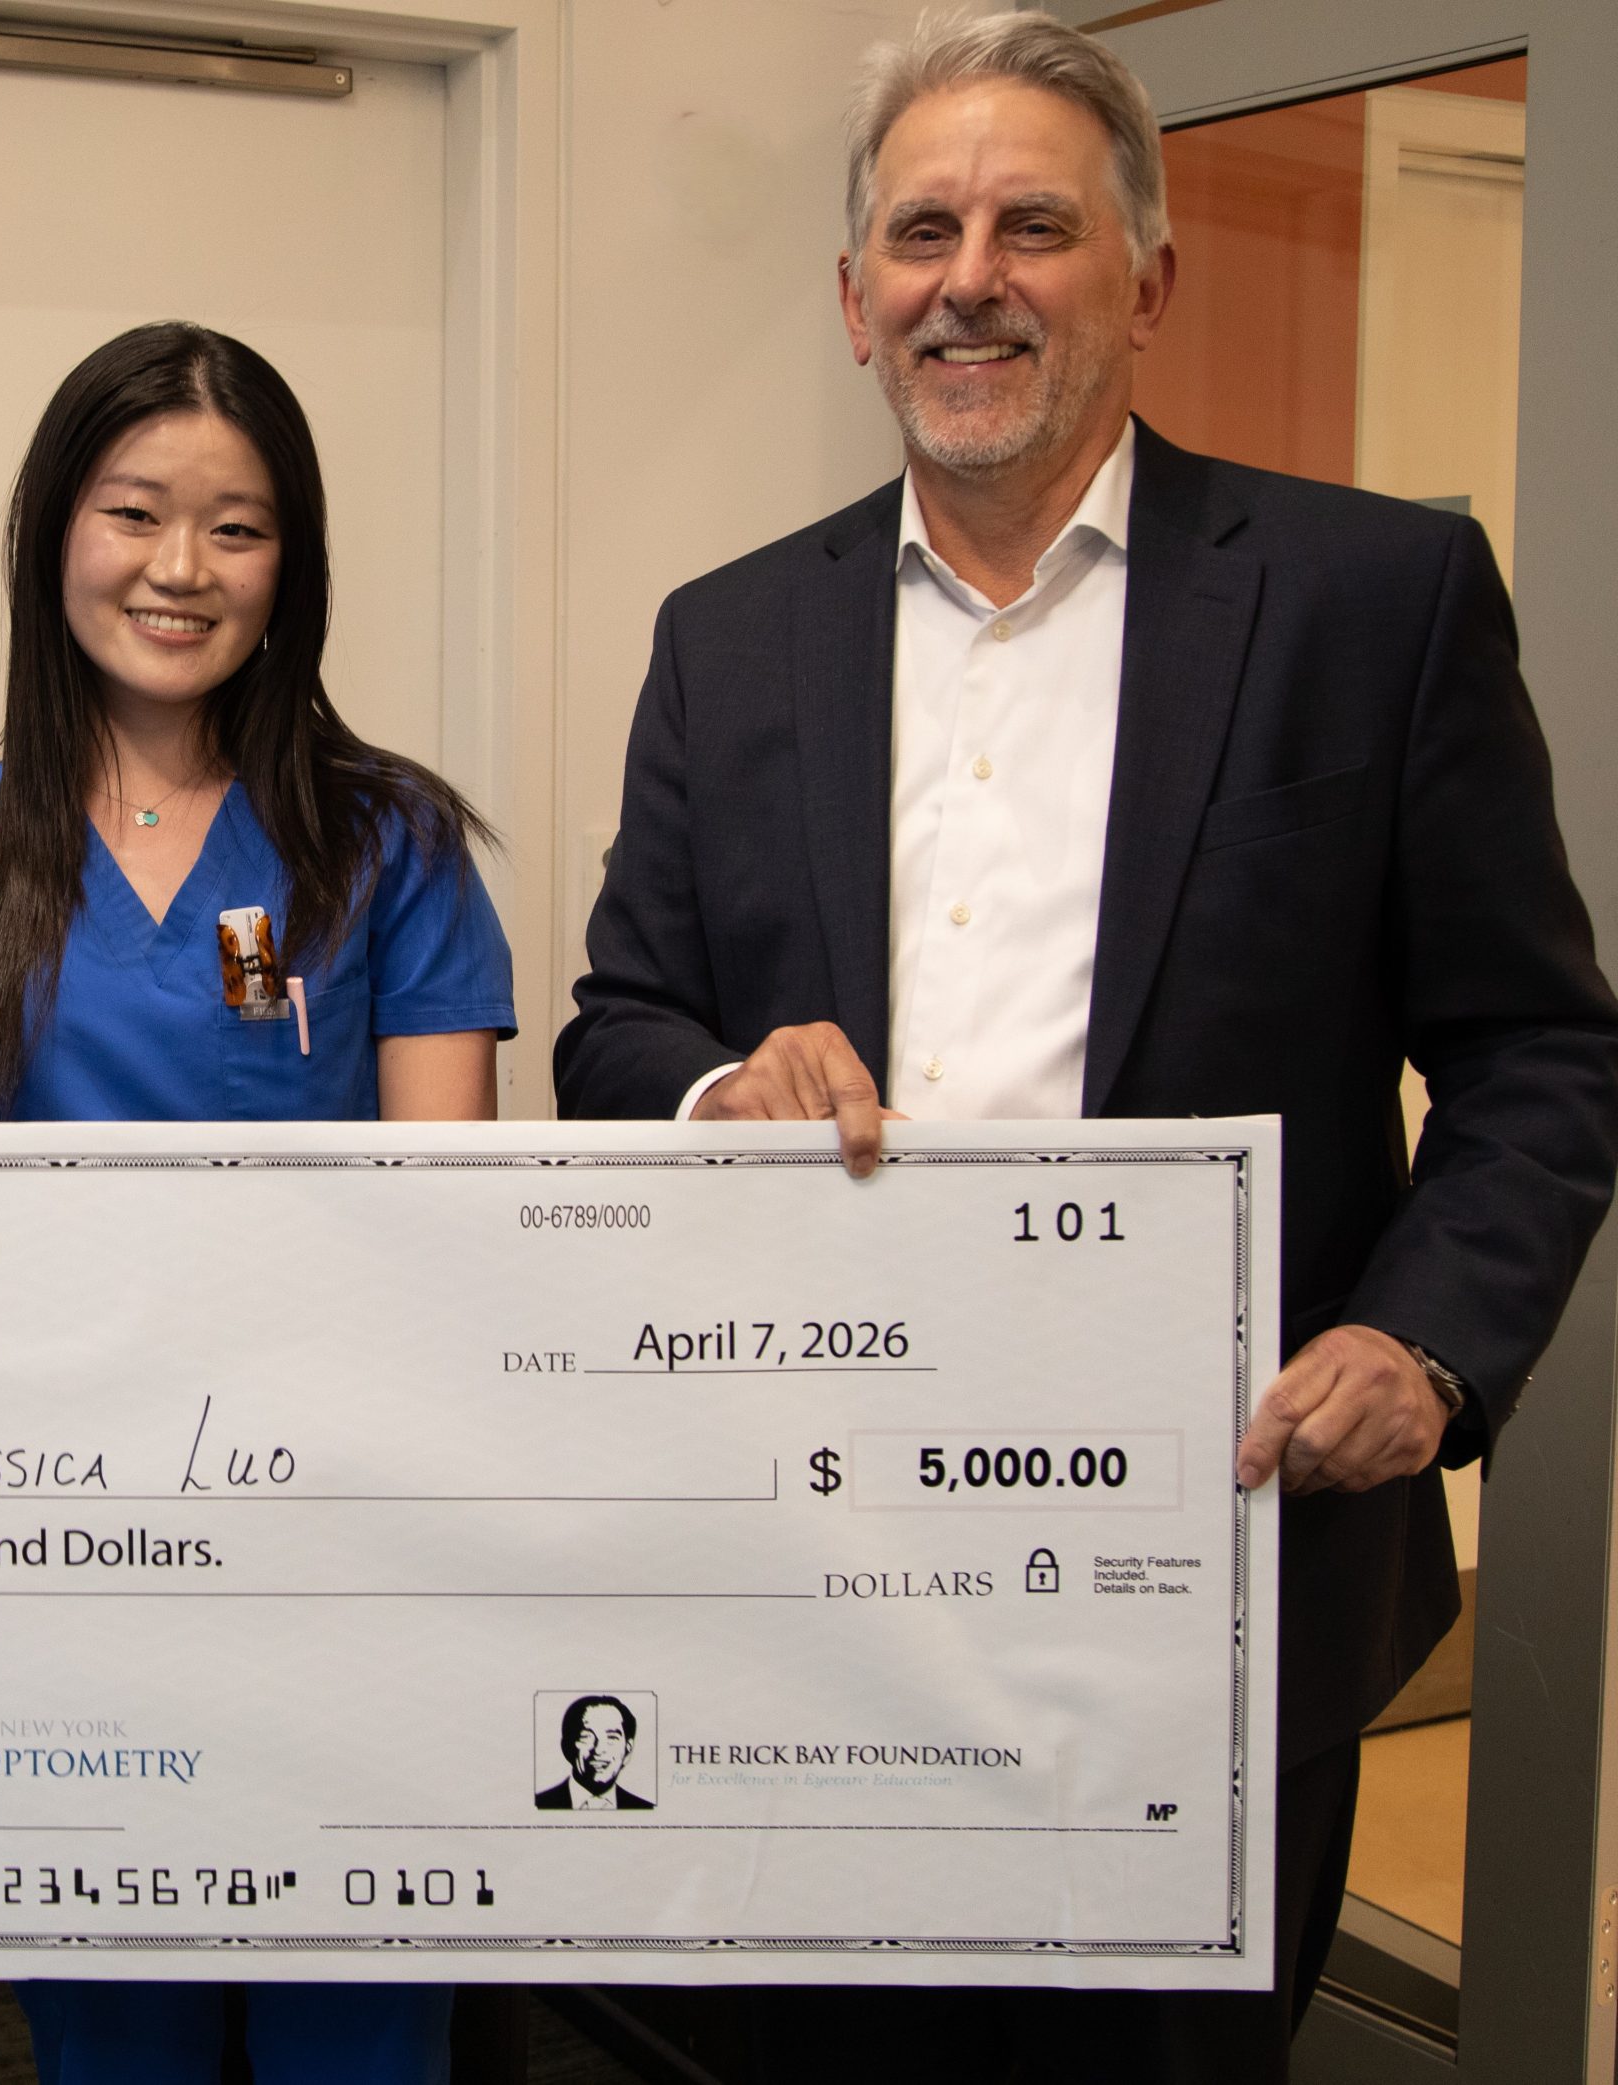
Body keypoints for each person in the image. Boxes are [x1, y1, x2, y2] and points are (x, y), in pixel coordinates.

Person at [554, 14, 1618, 2081]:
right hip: (813, 1579)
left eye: (1029, 226)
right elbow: (618, 1024)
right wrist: (712, 1092)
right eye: (919, 231)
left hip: (1213, 1583)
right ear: (851, 301)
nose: (969, 276)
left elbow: (1534, 1054)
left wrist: (1423, 1346)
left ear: (1141, 276)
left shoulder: (1369, 600)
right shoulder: (726, 635)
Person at [0, 320, 514, 2083]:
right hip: (64, 1549)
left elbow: (451, 1236)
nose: (179, 568)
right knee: (114, 2038)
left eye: (237, 527)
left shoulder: (392, 848)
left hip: (346, 1552)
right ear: (53, 532)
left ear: (290, 568)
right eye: (135, 511)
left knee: (356, 2032)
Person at [537, 1695, 652, 1811]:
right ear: (566, 1747)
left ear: (628, 1750)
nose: (599, 1749)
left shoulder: (647, 1809)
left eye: (612, 1737)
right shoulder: (540, 1805)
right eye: (586, 1737)